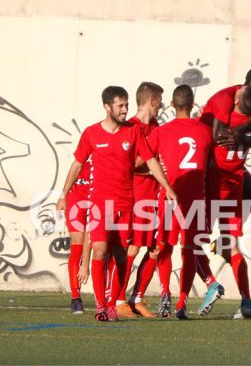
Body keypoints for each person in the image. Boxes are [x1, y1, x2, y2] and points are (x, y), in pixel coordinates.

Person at [57, 86, 177, 322]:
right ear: (107, 107)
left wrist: (167, 186)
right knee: (100, 249)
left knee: (121, 256)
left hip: (126, 204)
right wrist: (64, 193)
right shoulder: (91, 133)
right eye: (120, 106)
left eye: (126, 105)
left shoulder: (132, 132)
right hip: (101, 204)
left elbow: (151, 160)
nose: (125, 110)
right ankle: (101, 306)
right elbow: (77, 165)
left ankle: (113, 303)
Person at [199, 69, 251, 319]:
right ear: (246, 88)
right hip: (224, 178)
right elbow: (219, 135)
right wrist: (246, 129)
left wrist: (239, 132)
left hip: (222, 179)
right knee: (229, 243)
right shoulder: (223, 99)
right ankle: (246, 299)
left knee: (192, 241)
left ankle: (207, 286)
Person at [139, 84, 214, 320]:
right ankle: (182, 303)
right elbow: (211, 163)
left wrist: (153, 171)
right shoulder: (205, 131)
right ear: (192, 105)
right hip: (195, 199)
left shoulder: (161, 131)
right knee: (189, 250)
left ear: (172, 105)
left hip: (170, 197)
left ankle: (165, 294)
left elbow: (142, 159)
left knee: (163, 245)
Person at [110, 82, 164, 318]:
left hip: (155, 197)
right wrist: (153, 168)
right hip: (136, 196)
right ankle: (118, 300)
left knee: (155, 247)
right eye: (160, 101)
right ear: (152, 102)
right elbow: (126, 165)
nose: (162, 106)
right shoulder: (130, 127)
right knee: (130, 247)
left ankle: (137, 298)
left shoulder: (156, 126)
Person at [64, 160, 92, 314]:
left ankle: (109, 298)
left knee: (100, 245)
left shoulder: (109, 160)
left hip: (99, 199)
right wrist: (63, 196)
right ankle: (76, 298)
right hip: (77, 197)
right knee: (78, 245)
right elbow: (74, 168)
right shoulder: (82, 162)